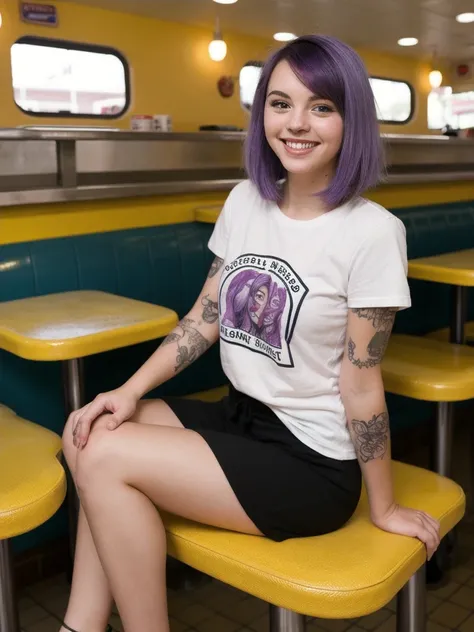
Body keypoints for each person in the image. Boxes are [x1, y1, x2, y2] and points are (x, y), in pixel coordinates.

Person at [61, 34, 440, 632]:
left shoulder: (372, 233)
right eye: (280, 103)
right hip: (244, 417)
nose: (297, 124)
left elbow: (361, 385)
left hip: (311, 459)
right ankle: (78, 626)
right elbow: (203, 320)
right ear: (261, 110)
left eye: (322, 107)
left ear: (352, 121)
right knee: (90, 431)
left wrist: (384, 505)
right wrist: (128, 392)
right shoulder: (245, 202)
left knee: (105, 457)